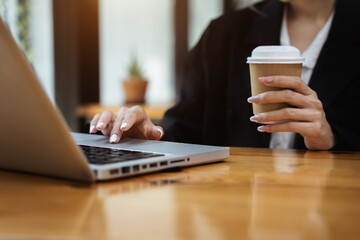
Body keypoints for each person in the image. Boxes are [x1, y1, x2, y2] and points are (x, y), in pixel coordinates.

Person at [89, 0, 360, 151]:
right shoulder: (222, 35)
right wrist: (150, 135)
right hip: (233, 208)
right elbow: (186, 126)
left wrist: (332, 138)